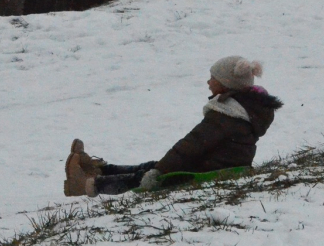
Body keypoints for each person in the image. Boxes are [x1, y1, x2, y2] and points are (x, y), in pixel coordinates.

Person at [64, 56, 283, 196]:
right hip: (216, 165)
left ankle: (86, 185)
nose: (208, 82)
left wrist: (159, 171)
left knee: (149, 175)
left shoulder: (227, 116)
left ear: (226, 84)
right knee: (153, 165)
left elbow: (190, 146)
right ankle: (100, 169)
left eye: (212, 78)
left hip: (207, 171)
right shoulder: (243, 110)